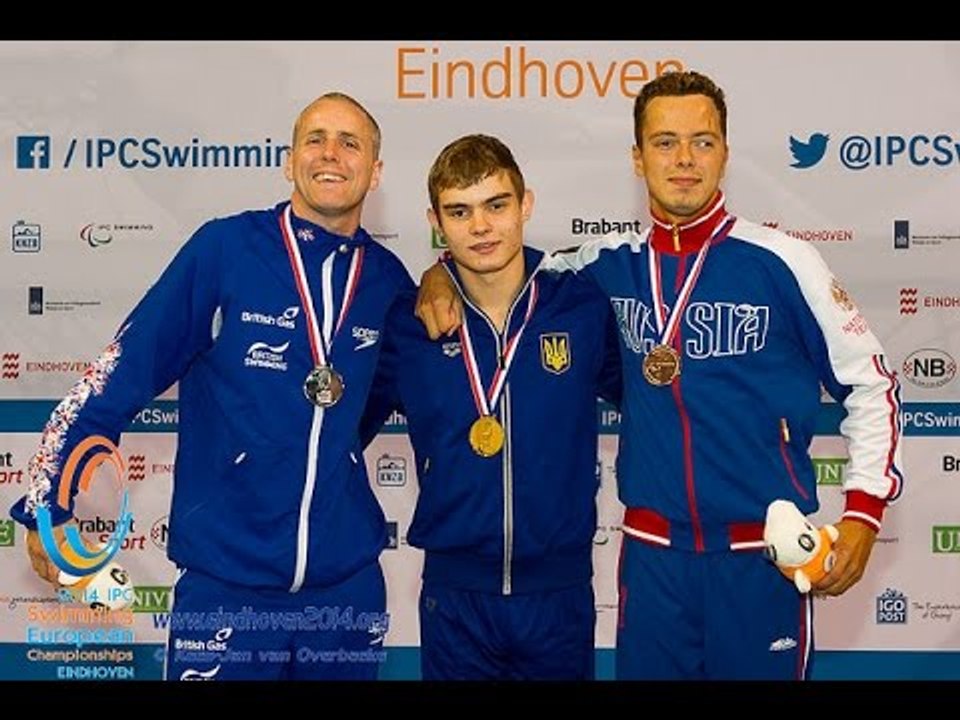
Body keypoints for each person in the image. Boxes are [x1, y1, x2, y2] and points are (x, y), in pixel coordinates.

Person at [415, 71, 904, 680]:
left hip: (759, 559)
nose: (683, 160)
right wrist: (440, 271)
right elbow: (498, 264)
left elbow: (872, 383)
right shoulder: (601, 266)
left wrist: (862, 512)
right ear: (637, 156)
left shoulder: (783, 261)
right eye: (665, 142)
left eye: (702, 141)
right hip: (651, 565)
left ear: (725, 151)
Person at [9, 92, 413, 680]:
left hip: (344, 596)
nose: (331, 153)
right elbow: (118, 372)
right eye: (315, 138)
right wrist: (47, 499)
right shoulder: (226, 250)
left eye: (351, 142)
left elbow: (365, 409)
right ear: (288, 159)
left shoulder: (388, 282)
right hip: (229, 588)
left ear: (374, 171)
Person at [360, 134, 622, 680]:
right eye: (460, 211)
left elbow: (655, 405)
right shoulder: (409, 324)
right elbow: (341, 432)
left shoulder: (580, 306)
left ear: (525, 204)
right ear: (437, 220)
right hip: (455, 597)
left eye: (496, 205)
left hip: (560, 592)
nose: (480, 226)